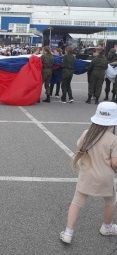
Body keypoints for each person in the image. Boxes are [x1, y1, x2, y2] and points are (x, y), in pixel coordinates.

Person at [60, 102, 117, 244]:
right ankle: (107, 227)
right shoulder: (114, 139)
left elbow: (80, 146)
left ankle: (68, 232)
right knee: (110, 201)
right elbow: (115, 163)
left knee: (77, 201)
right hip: (105, 177)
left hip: (87, 174)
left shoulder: (87, 133)